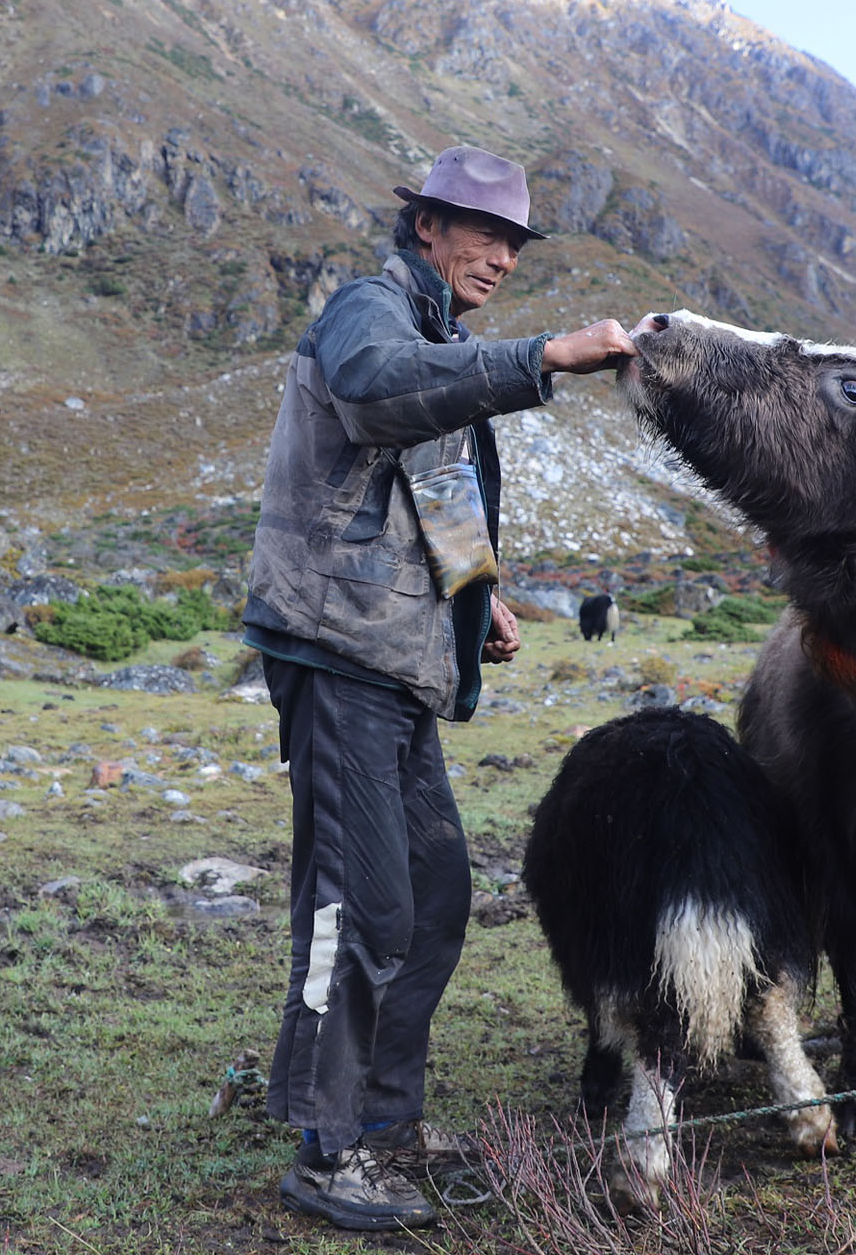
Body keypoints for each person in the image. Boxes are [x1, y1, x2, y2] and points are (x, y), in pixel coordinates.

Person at [243, 145, 638, 1231]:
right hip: (338, 652)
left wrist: (480, 594)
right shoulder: (370, 313)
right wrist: (546, 358)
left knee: (433, 895)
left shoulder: (437, 336)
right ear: (427, 227)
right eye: (484, 233)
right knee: (355, 905)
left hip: (398, 660)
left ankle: (385, 1119)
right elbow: (375, 398)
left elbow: (432, 484)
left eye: (515, 241)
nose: (503, 256)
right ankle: (329, 1151)